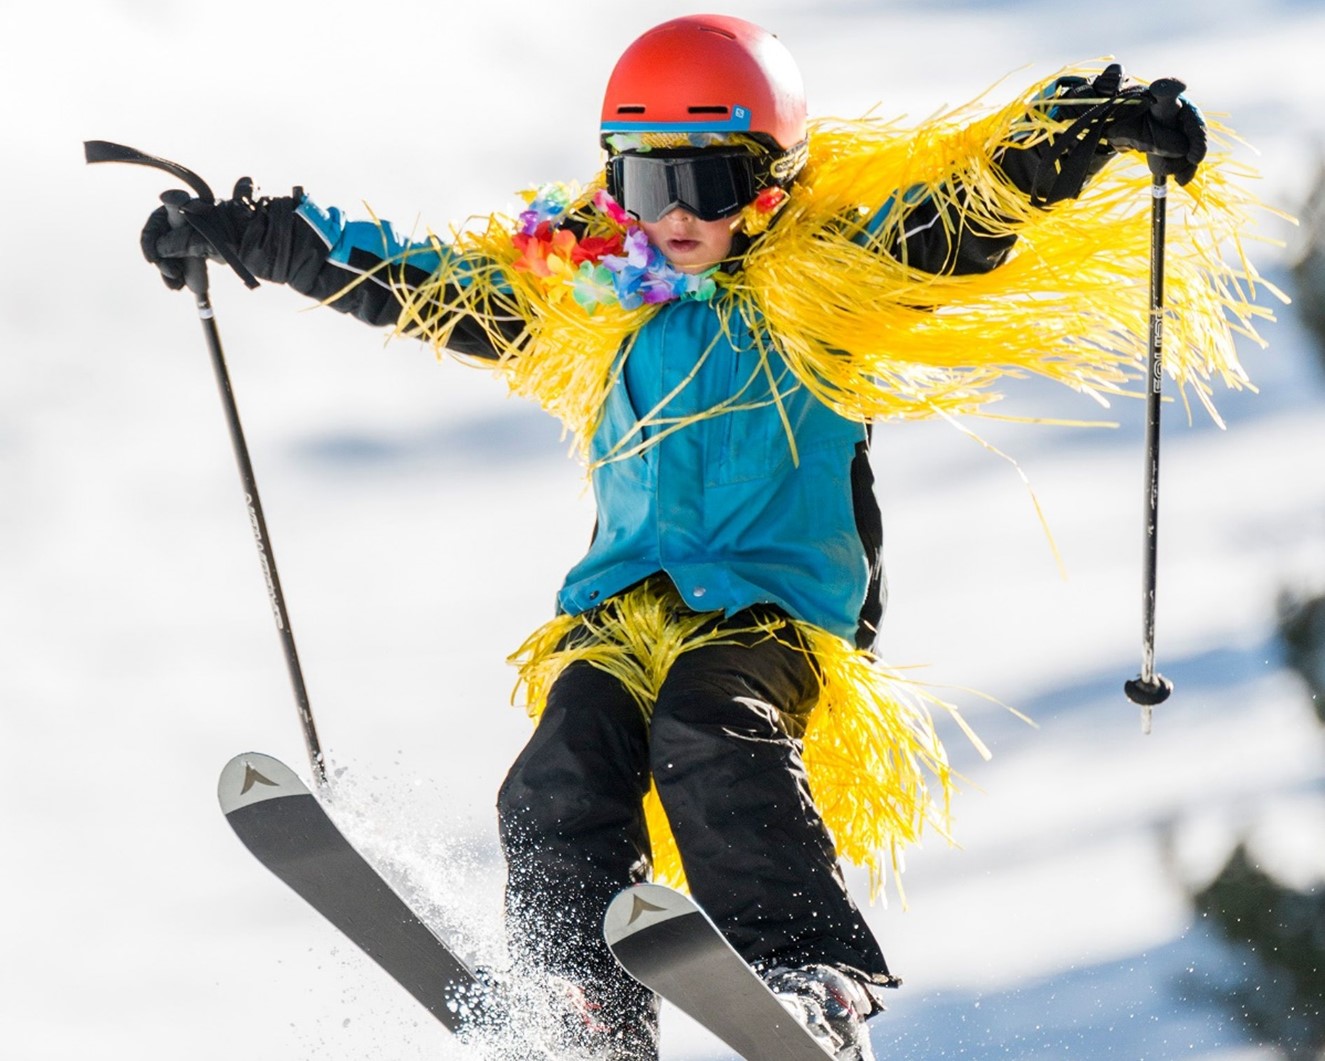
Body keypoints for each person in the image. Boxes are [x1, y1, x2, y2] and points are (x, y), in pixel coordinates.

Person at [141, 15, 1256, 1061]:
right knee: (557, 770)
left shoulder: (824, 284)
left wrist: (1081, 130)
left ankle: (807, 969)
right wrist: (258, 236)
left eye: (705, 182)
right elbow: (416, 282)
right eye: (641, 180)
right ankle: (576, 996)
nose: (670, 214)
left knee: (709, 732)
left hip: (770, 609)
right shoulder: (584, 294)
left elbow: (955, 216)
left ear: (769, 186)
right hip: (623, 608)